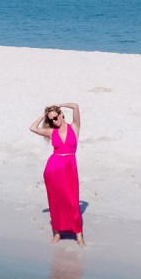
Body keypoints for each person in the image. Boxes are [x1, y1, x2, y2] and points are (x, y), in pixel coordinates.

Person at [29, 102, 84, 245]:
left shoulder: (74, 127)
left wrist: (60, 104)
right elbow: (32, 128)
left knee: (72, 201)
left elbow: (76, 106)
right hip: (53, 169)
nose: (53, 121)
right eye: (51, 119)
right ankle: (57, 233)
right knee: (56, 202)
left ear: (61, 115)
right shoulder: (51, 132)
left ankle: (79, 236)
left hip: (70, 168)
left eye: (55, 117)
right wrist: (44, 114)